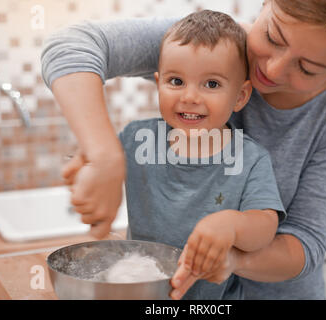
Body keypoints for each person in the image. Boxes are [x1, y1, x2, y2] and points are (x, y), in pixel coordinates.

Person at [41, 0, 326, 299]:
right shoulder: (216, 43)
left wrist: (234, 260)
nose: (271, 69)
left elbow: (304, 242)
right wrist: (102, 153)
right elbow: (72, 47)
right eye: (273, 36)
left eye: (307, 68)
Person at [105, 10, 286, 299]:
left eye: (211, 84)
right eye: (176, 81)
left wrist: (233, 225)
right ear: (158, 83)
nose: (189, 97)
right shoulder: (137, 140)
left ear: (240, 96)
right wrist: (88, 169)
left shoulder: (250, 159)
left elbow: (265, 226)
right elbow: (101, 164)